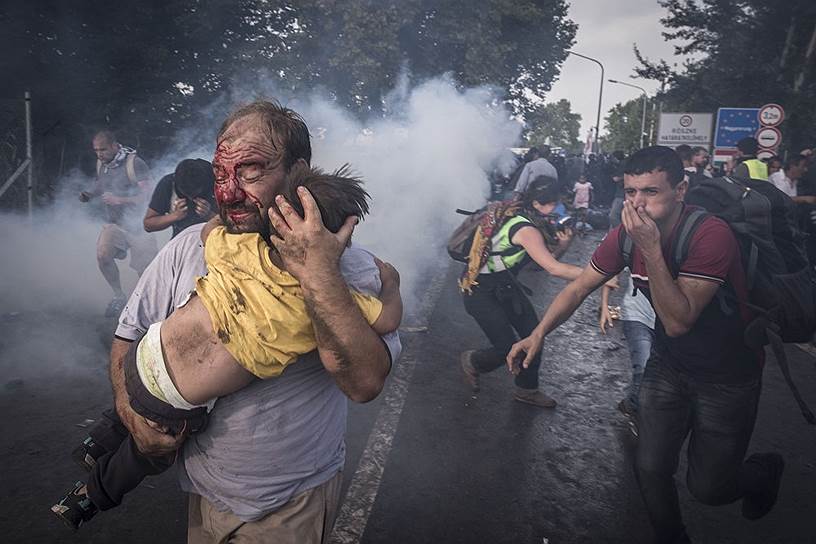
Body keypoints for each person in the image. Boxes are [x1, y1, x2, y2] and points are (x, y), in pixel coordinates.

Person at [89, 100, 401, 543]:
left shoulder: (353, 270)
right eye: (221, 174)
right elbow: (128, 334)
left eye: (251, 170)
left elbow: (365, 382)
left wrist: (319, 276)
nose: (230, 191)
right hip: (202, 491)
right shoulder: (192, 247)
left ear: (298, 172)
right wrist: (127, 408)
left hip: (287, 505)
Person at [508, 146, 784, 543]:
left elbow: (677, 321)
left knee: (708, 489)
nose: (638, 203)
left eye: (651, 192)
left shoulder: (710, 235)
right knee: (650, 467)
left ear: (681, 190)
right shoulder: (624, 236)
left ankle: (763, 472)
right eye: (632, 191)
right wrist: (538, 334)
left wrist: (651, 247)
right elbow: (581, 287)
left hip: (727, 377)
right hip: (668, 367)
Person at [459, 178, 584, 408]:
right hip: (479, 291)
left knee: (534, 333)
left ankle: (527, 390)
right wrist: (599, 274)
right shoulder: (525, 228)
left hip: (505, 287)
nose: (558, 210)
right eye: (553, 204)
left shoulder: (527, 218)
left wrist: (564, 245)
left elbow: (541, 263)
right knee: (506, 346)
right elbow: (553, 269)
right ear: (537, 203)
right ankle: (473, 361)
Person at [80, 130, 158, 316]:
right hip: (115, 224)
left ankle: (146, 305)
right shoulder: (103, 163)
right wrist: (90, 194)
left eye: (103, 149)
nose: (99, 154)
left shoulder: (135, 164)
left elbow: (149, 196)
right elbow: (102, 183)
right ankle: (119, 296)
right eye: (96, 150)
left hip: (140, 227)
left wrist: (119, 200)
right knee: (103, 256)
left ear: (115, 146)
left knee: (145, 271)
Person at [599, 274, 655, 435]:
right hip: (636, 316)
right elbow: (610, 271)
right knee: (643, 368)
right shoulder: (638, 248)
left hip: (670, 320)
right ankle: (637, 415)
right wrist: (604, 305)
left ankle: (631, 403)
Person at [144, 158, 218, 238]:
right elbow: (148, 225)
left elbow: (232, 224)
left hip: (215, 239)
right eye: (187, 195)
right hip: (182, 240)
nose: (192, 199)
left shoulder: (220, 184)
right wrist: (175, 216)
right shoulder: (168, 184)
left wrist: (210, 215)